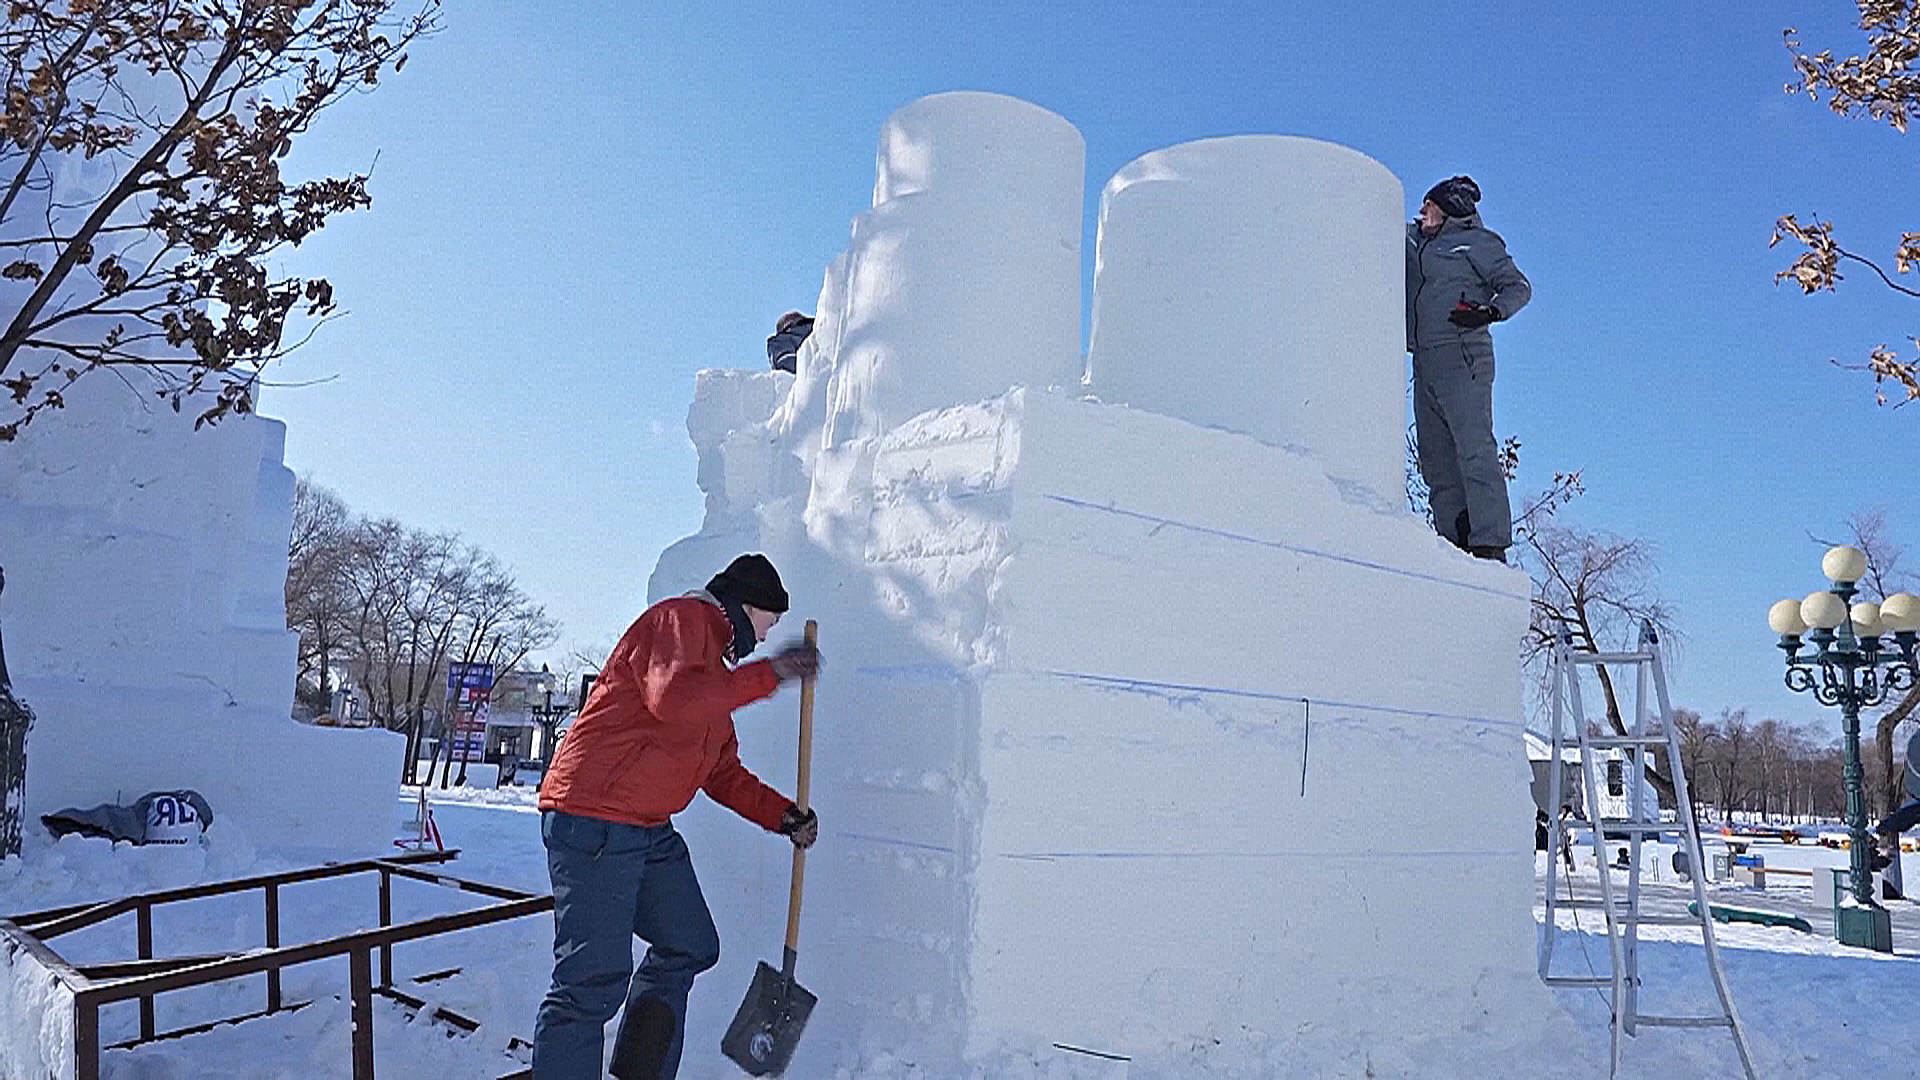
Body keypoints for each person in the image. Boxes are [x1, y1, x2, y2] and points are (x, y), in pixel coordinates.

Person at [532, 553, 822, 1080]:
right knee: (590, 983)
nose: (764, 637)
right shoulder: (680, 621)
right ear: (745, 605)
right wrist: (770, 675)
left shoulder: (714, 675)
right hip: (593, 818)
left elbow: (722, 772)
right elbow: (671, 699)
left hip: (645, 829)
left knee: (688, 942)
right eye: (767, 622)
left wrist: (784, 817)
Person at [1406, 175, 1531, 563]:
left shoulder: (1478, 243)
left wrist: (1489, 312)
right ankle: (1453, 540)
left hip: (1463, 355)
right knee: (1435, 457)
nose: (1422, 211)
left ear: (1450, 209)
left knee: (1473, 448)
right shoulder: (1414, 243)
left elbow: (1517, 286)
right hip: (1425, 359)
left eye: (1430, 205)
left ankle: (1489, 542)